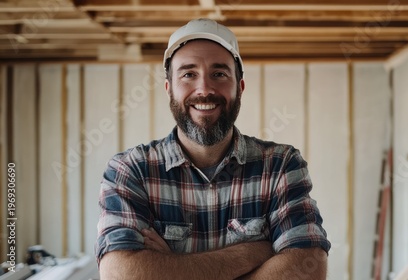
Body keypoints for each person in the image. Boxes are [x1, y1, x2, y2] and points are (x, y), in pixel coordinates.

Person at [95, 18, 331, 279]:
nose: (204, 89)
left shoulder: (280, 165)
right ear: (168, 89)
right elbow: (121, 274)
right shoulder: (131, 171)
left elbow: (309, 268)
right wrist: (252, 254)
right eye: (188, 74)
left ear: (239, 88)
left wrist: (170, 265)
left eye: (219, 74)